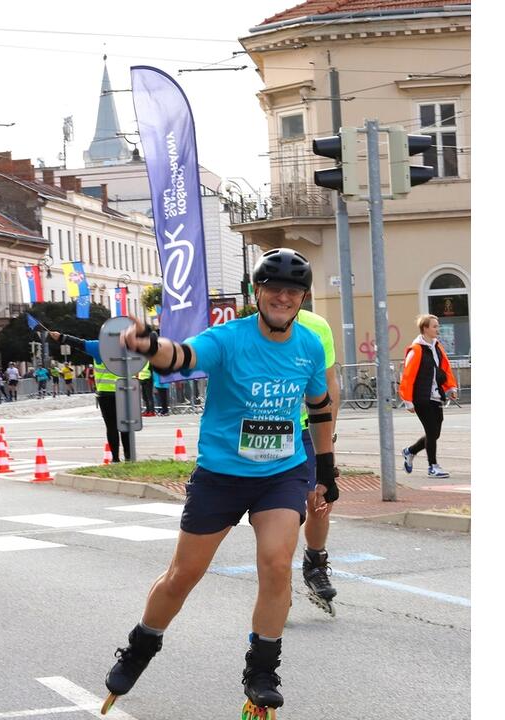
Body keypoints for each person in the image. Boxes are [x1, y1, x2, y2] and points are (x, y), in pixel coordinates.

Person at [100, 248, 337, 719]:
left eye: (293, 291)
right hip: (222, 476)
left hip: (281, 472)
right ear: (257, 293)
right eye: (273, 289)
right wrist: (151, 346)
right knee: (183, 575)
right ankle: (141, 646)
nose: (283, 298)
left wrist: (326, 469)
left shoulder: (309, 346)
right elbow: (183, 356)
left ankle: (263, 670)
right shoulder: (229, 339)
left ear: (303, 298)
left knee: (275, 563)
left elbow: (320, 406)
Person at [294, 308, 342, 615]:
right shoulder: (250, 329)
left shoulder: (316, 326)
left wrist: (330, 439)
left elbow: (330, 383)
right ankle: (274, 575)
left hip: (310, 426)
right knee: (282, 510)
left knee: (321, 498)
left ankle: (314, 562)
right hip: (271, 429)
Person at [48, 331, 132, 463]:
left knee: (111, 427)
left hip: (105, 392)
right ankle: (129, 457)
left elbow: (79, 343)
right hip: (124, 391)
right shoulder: (127, 347)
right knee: (125, 426)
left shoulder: (99, 346)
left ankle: (115, 459)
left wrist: (61, 337)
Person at [398, 314, 459, 478]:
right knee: (432, 432)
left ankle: (410, 451)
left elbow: (445, 368)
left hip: (436, 396)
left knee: (435, 433)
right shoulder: (416, 349)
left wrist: (450, 387)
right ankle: (433, 466)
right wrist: (408, 400)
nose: (437, 330)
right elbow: (408, 375)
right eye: (434, 326)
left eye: (438, 326)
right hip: (421, 397)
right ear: (425, 328)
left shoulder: (437, 347)